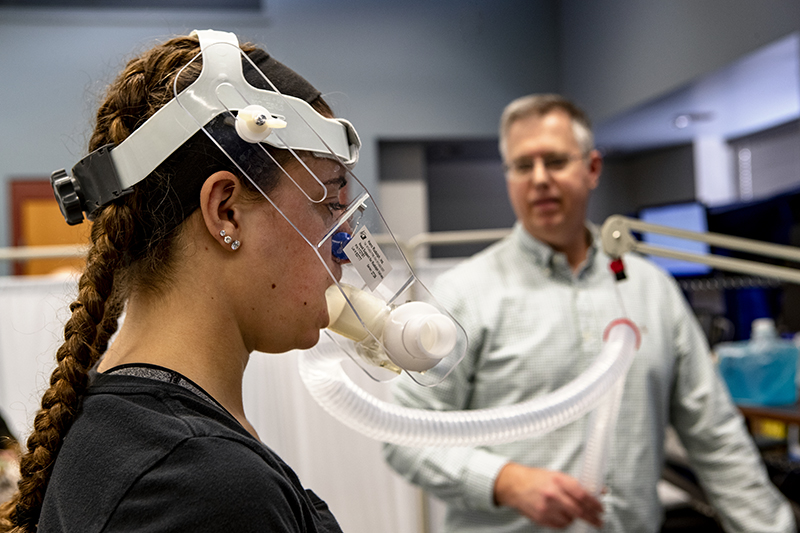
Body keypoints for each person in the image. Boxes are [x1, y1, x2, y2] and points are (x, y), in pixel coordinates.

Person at [0, 29, 361, 532]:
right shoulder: (201, 485)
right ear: (226, 211)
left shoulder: (126, 430)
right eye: (329, 204)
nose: (343, 246)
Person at [383, 94, 795, 532]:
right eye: (523, 166)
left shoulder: (652, 290)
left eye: (556, 161)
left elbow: (715, 437)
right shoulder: (462, 296)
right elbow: (405, 437)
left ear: (592, 168)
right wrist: (504, 480)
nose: (539, 179)